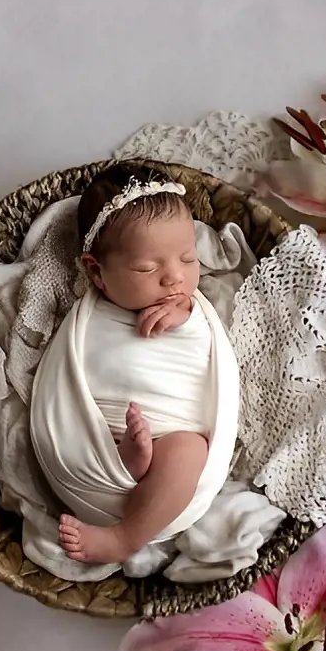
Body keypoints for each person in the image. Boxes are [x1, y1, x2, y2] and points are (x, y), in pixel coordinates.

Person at [29, 163, 239, 566]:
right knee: (86, 423)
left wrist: (188, 314)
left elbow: (207, 351)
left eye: (188, 258)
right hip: (98, 439)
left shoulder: (190, 310)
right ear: (97, 273)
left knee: (188, 450)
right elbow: (67, 376)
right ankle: (127, 458)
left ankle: (126, 536)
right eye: (147, 268)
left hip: (173, 435)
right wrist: (103, 442)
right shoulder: (87, 314)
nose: (174, 278)